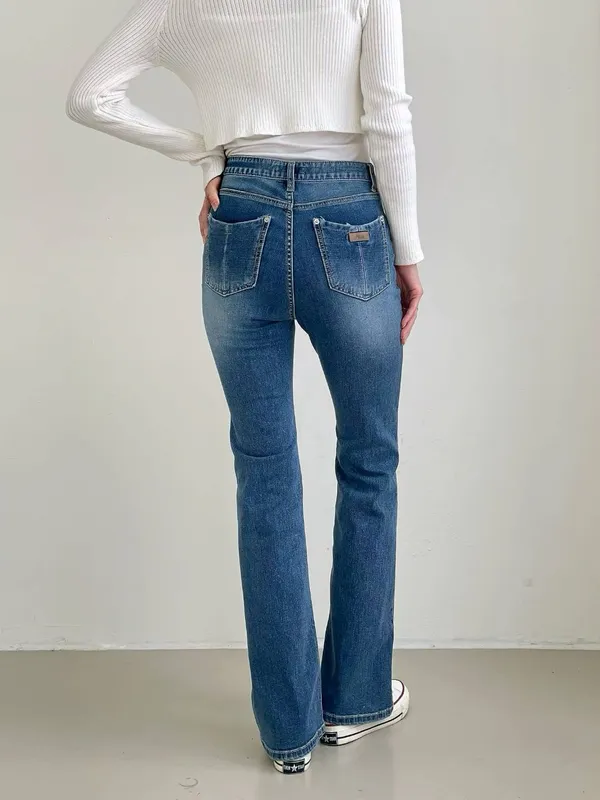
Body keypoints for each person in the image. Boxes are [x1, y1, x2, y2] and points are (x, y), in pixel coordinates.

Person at [66, 0, 424, 775]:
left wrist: (209, 155)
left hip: (242, 215)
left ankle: (288, 733)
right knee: (369, 461)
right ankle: (355, 700)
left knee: (264, 472)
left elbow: (89, 95)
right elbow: (387, 111)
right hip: (349, 215)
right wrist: (409, 251)